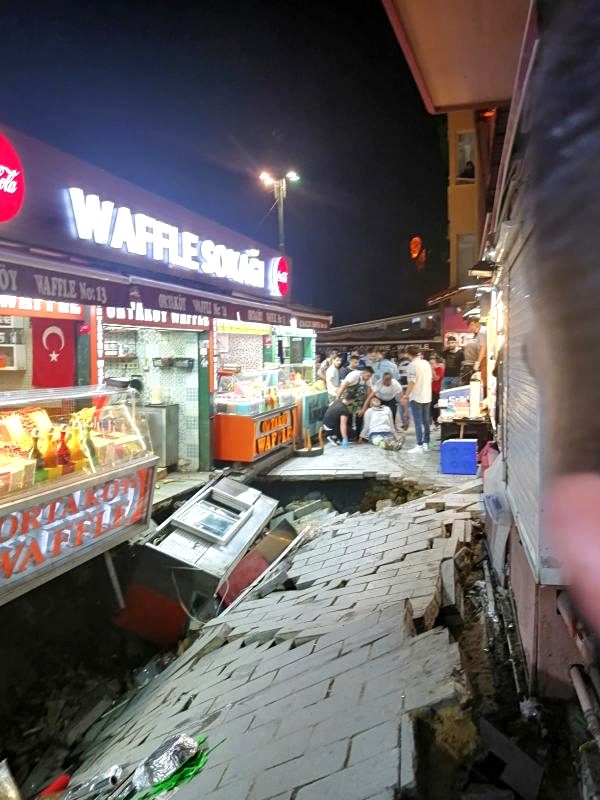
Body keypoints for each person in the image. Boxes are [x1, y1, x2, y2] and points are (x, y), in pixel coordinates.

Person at [401, 345, 432, 453]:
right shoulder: (426, 363)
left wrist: (406, 395)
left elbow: (411, 382)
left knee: (418, 422)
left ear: (408, 354)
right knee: (426, 421)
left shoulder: (412, 365)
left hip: (416, 396)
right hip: (427, 395)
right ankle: (426, 443)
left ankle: (419, 445)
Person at [336, 365, 375, 438]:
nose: (369, 378)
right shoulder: (354, 375)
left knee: (360, 415)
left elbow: (368, 396)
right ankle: (347, 436)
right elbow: (343, 387)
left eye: (370, 376)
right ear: (363, 372)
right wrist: (337, 401)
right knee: (347, 416)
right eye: (368, 376)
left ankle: (358, 436)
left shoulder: (368, 379)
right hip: (347, 395)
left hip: (357, 398)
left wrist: (363, 409)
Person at [461, 318, 487, 386]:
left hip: (485, 359)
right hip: (483, 359)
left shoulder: (482, 332)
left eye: (472, 325)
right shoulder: (479, 333)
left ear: (477, 323)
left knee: (484, 381)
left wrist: (478, 362)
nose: (471, 327)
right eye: (470, 326)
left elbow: (483, 347)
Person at [396, 350, 412, 430]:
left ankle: (405, 422)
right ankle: (406, 422)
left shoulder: (402, 364)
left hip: (402, 387)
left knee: (402, 405)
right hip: (409, 386)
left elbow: (400, 377)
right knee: (407, 405)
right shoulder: (410, 363)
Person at [430, 355, 445, 428]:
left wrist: (432, 370)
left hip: (438, 390)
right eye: (430, 363)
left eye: (432, 363)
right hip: (432, 390)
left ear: (436, 363)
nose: (431, 365)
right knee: (432, 406)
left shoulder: (440, 369)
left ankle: (438, 422)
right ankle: (435, 421)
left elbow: (436, 378)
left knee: (437, 406)